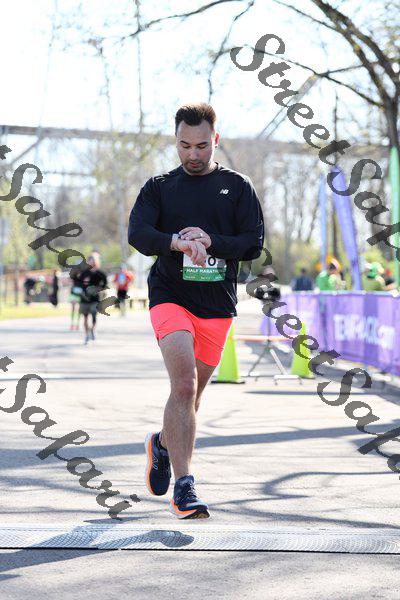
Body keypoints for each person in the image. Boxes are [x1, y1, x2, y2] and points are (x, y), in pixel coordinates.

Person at [128, 102, 264, 519]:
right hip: (170, 295)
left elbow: (253, 243)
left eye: (201, 146)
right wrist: (175, 242)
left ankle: (163, 444)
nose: (193, 154)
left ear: (215, 140)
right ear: (176, 140)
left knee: (191, 396)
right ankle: (185, 487)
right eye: (184, 145)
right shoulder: (159, 187)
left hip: (216, 305)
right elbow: (138, 233)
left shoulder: (237, 187)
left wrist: (211, 240)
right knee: (184, 386)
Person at [76, 254, 108, 344]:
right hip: (84, 299)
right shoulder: (84, 273)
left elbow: (105, 283)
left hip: (95, 299)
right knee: (85, 317)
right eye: (90, 260)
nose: (92, 262)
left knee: (94, 315)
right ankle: (86, 335)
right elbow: (78, 283)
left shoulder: (99, 273)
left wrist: (99, 289)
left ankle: (93, 330)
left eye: (93, 260)